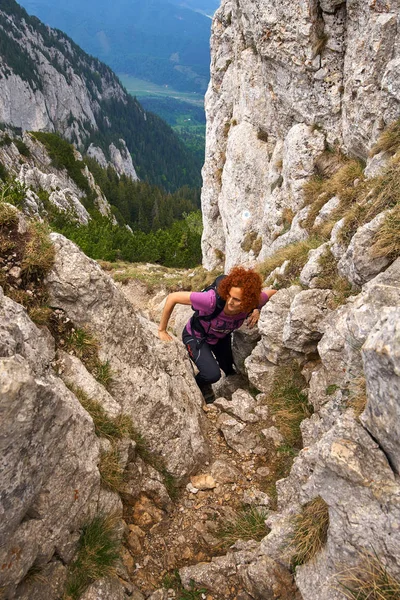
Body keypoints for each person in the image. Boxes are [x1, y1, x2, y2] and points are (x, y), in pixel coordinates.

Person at [158, 266, 277, 403]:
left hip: (221, 338)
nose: (231, 302)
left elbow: (274, 293)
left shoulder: (253, 303)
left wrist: (257, 310)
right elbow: (173, 297)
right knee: (212, 375)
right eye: (229, 296)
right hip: (196, 336)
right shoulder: (210, 301)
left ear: (248, 301)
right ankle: (198, 387)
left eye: (237, 300)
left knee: (230, 370)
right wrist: (162, 330)